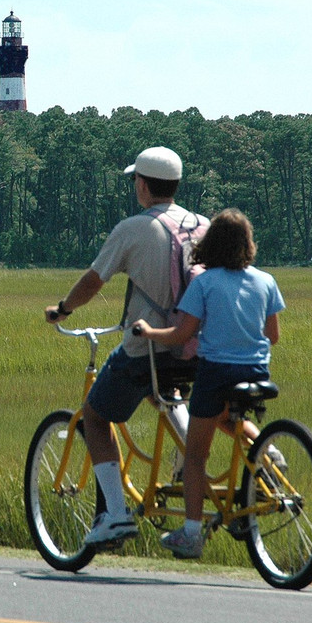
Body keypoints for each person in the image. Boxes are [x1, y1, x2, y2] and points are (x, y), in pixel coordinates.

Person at [45, 146, 209, 549]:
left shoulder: (134, 228)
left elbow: (93, 280)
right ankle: (191, 463)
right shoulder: (203, 224)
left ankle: (116, 515)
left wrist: (63, 309)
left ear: (143, 184)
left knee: (95, 417)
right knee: (168, 395)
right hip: (195, 348)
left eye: (135, 179)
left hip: (147, 350)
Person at [133, 208, 285, 559]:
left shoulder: (204, 282)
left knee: (196, 456)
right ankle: (266, 450)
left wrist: (148, 330)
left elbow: (181, 334)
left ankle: (190, 533)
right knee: (221, 417)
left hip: (216, 374)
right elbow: (272, 336)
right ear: (248, 244)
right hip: (257, 373)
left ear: (211, 244)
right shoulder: (266, 281)